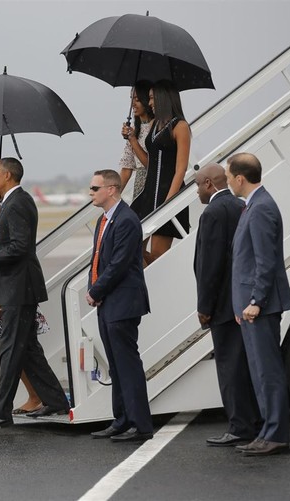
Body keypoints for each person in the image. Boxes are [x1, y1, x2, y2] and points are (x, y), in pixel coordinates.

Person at [0, 158, 68, 431]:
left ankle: (0, 411)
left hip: (19, 286)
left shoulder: (19, 203)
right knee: (28, 352)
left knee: (10, 350)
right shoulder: (11, 202)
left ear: (8, 176)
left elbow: (21, 246)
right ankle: (56, 400)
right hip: (14, 286)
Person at [226, 153, 290, 457]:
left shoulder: (262, 208)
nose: (227, 181)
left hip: (260, 306)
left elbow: (265, 263)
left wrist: (255, 301)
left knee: (268, 372)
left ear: (240, 178)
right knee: (259, 371)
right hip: (251, 307)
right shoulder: (253, 205)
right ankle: (268, 431)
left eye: (229, 176)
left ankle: (276, 434)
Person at [193, 164, 261, 447]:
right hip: (240, 300)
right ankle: (253, 421)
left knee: (229, 368)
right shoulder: (240, 205)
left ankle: (239, 427)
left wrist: (204, 306)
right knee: (244, 366)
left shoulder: (212, 212)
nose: (196, 191)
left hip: (221, 305)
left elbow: (210, 265)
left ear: (208, 183)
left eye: (197, 185)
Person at [86, 170, 153, 443]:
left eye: (94, 187)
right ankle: (122, 419)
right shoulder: (105, 220)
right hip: (109, 301)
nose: (90, 192)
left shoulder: (126, 219)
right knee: (115, 365)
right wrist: (97, 291)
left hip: (123, 301)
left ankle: (141, 425)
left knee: (127, 364)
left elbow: (119, 264)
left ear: (112, 189)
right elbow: (100, 260)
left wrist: (96, 290)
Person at [130, 80, 191, 265]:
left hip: (167, 195)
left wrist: (169, 203)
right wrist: (132, 139)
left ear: (163, 98)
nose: (149, 103)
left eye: (151, 98)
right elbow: (151, 163)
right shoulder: (156, 124)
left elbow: (181, 168)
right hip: (148, 196)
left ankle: (155, 287)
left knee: (157, 257)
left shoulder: (180, 126)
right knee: (131, 247)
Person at [119, 81, 154, 199]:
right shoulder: (134, 131)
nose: (132, 104)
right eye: (131, 99)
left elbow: (151, 164)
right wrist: (113, 197)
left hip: (153, 182)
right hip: (139, 185)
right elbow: (126, 168)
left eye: (137, 100)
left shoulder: (157, 127)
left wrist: (133, 140)